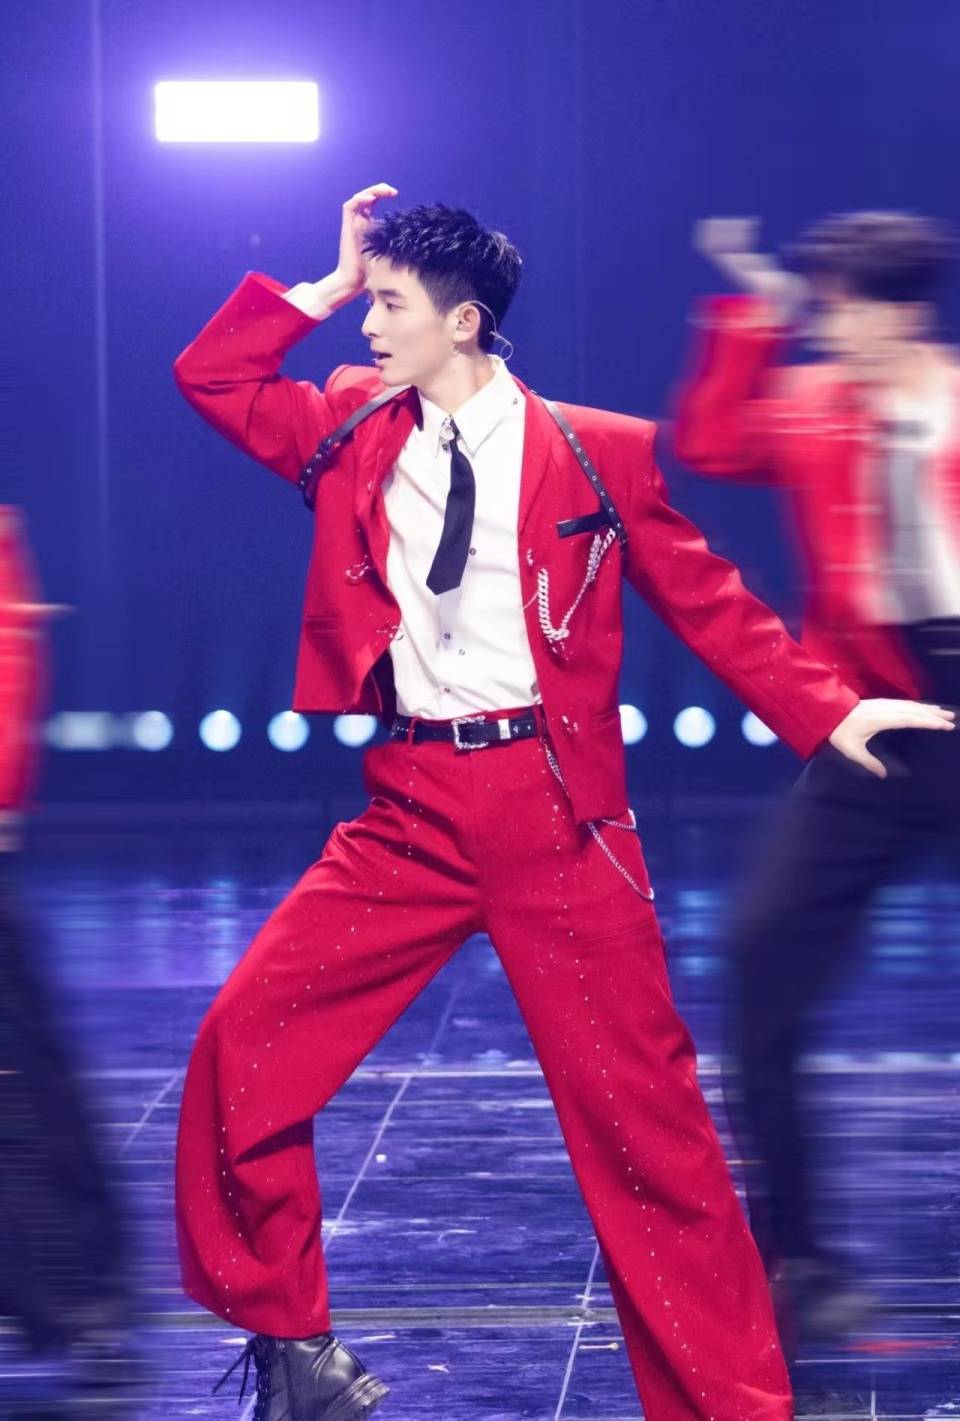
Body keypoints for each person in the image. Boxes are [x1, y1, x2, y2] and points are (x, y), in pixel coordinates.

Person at [172, 186, 953, 1420]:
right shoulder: (348, 423)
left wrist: (831, 708)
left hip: (559, 818)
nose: (367, 326)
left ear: (463, 321)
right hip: (408, 811)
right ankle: (295, 1346)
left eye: (388, 304)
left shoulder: (594, 449)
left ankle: (733, 1405)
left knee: (651, 1137)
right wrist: (324, 283)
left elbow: (709, 597)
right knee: (242, 1048)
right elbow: (213, 376)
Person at [674, 211, 960, 1345]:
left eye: (840, 306)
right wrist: (753, 311)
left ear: (901, 311)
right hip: (877, 722)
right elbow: (708, 442)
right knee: (760, 957)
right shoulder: (814, 401)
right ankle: (802, 1259)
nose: (826, 325)